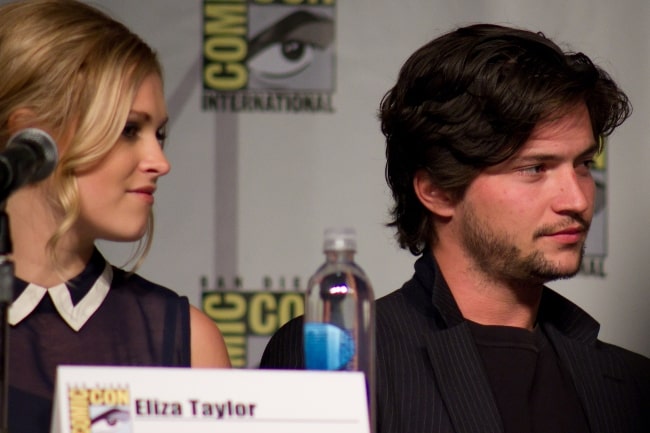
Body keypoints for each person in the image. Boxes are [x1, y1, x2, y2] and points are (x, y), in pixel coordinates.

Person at [260, 23, 650, 432]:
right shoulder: (339, 356)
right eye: (535, 168)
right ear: (437, 191)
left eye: (583, 165)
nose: (578, 199)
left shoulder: (632, 384)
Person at [0, 1, 231, 432]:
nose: (160, 161)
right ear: (29, 136)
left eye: (158, 133)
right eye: (129, 130)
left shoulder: (188, 341)